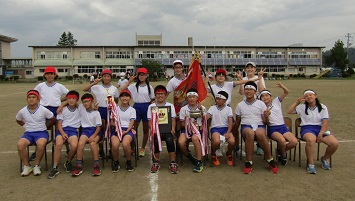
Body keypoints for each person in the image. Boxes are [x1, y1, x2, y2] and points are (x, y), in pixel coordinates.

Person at [206, 68, 259, 157]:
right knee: (217, 129)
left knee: (234, 129)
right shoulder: (212, 87)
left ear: (225, 77)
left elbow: (243, 82)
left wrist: (254, 79)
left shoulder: (229, 84)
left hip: (227, 109)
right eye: (219, 75)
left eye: (223, 75)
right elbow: (202, 91)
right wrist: (205, 81)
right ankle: (217, 148)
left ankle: (236, 148)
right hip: (216, 110)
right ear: (215, 77)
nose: (221, 76)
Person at [287, 89, 338, 174]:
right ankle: (310, 163)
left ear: (315, 96)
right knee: (311, 140)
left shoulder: (322, 107)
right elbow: (289, 111)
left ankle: (324, 158)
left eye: (310, 95)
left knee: (334, 143)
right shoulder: (302, 107)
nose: (308, 97)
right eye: (306, 96)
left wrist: (321, 133)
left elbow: (325, 122)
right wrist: (297, 102)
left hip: (320, 129)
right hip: (307, 128)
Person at [235, 81, 279, 174]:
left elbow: (265, 123)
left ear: (255, 91)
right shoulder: (240, 105)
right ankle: (249, 162)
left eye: (251, 89)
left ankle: (270, 159)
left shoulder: (261, 104)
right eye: (246, 89)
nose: (248, 91)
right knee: (250, 133)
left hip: (259, 125)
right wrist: (232, 132)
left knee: (259, 133)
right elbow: (238, 122)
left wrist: (266, 116)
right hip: (246, 126)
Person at [29, 66, 69, 161]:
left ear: (55, 75)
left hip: (57, 110)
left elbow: (70, 95)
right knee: (40, 129)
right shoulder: (40, 86)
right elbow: (34, 94)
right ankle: (36, 150)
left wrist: (61, 103)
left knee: (61, 129)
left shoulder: (59, 86)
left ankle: (68, 148)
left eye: (51, 74)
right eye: (47, 74)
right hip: (43, 110)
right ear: (45, 75)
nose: (49, 76)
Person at [17, 90, 56, 176]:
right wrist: (25, 126)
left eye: (33, 97)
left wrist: (46, 126)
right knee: (20, 144)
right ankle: (27, 166)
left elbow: (53, 118)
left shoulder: (43, 110)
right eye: (29, 97)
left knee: (41, 144)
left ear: (38, 99)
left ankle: (36, 165)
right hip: (28, 133)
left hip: (41, 133)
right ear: (27, 99)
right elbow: (18, 120)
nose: (31, 99)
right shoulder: (23, 111)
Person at [259, 83, 298, 166]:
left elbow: (286, 92)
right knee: (282, 140)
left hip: (283, 127)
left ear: (270, 96)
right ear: (260, 99)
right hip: (272, 128)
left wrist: (282, 86)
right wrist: (266, 116)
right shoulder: (261, 108)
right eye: (263, 96)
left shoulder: (276, 101)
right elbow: (266, 123)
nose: (265, 97)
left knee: (294, 142)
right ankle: (283, 155)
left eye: (267, 95)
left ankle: (280, 150)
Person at [83, 69, 119, 159]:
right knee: (101, 130)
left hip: (110, 110)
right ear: (102, 77)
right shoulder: (97, 87)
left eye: (108, 76)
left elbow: (117, 99)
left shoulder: (114, 88)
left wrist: (113, 107)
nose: (106, 78)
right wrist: (94, 83)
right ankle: (101, 150)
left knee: (111, 129)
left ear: (111, 77)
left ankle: (111, 150)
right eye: (105, 76)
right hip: (100, 110)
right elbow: (85, 89)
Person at [122, 67, 155, 157]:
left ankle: (143, 148)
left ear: (146, 76)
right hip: (136, 107)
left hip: (146, 107)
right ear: (138, 75)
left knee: (145, 129)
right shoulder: (133, 86)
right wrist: (129, 81)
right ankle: (132, 147)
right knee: (133, 128)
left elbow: (153, 98)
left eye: (143, 74)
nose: (142, 76)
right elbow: (123, 90)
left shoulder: (149, 87)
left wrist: (151, 103)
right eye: (140, 74)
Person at [48, 90, 80, 179]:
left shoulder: (80, 109)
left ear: (77, 100)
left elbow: (87, 107)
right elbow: (59, 124)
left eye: (73, 98)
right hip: (62, 130)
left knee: (74, 146)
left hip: (73, 130)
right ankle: (55, 167)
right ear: (67, 99)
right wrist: (62, 133)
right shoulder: (62, 110)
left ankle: (68, 161)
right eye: (69, 98)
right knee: (58, 144)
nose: (71, 100)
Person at [147, 85, 178, 173]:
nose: (160, 96)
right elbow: (149, 121)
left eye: (162, 94)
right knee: (156, 140)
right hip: (156, 130)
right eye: (158, 94)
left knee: (169, 140)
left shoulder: (170, 106)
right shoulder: (151, 107)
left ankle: (172, 162)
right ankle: (156, 162)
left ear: (165, 95)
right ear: (155, 95)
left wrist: (172, 129)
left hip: (167, 130)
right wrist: (153, 129)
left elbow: (173, 119)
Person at [238, 62, 266, 156]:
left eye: (252, 68)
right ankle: (248, 146)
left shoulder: (259, 77)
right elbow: (241, 92)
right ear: (245, 69)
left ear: (255, 69)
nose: (250, 69)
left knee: (259, 124)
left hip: (257, 105)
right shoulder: (244, 79)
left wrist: (260, 77)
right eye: (248, 68)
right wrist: (241, 80)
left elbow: (262, 90)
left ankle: (259, 145)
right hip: (246, 105)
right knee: (247, 126)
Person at [71, 93, 102, 176]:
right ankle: (79, 166)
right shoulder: (81, 108)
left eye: (88, 101)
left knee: (92, 143)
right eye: (84, 102)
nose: (86, 103)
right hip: (85, 130)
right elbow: (72, 102)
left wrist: (93, 136)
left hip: (95, 131)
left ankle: (96, 166)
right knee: (80, 144)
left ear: (92, 102)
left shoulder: (96, 113)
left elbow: (99, 127)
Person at [178, 88, 207, 173]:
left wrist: (201, 127)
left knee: (195, 138)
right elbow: (182, 123)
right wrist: (189, 125)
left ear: (197, 98)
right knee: (181, 142)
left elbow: (205, 121)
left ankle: (199, 161)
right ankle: (189, 156)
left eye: (194, 97)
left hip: (198, 130)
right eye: (190, 97)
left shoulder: (202, 108)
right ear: (187, 98)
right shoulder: (183, 109)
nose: (192, 99)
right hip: (187, 130)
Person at [206, 91, 235, 166]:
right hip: (215, 129)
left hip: (225, 129)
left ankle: (229, 154)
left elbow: (230, 121)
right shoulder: (212, 108)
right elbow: (207, 116)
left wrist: (228, 132)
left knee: (232, 141)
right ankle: (213, 154)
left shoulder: (228, 109)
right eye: (216, 99)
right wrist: (205, 115)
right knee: (216, 141)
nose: (217, 100)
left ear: (225, 100)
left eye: (219, 99)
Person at [110, 89, 136, 172]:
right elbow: (112, 122)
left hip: (127, 130)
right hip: (116, 130)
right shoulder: (115, 109)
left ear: (130, 98)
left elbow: (132, 123)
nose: (125, 98)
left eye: (127, 96)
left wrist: (126, 131)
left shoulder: (132, 110)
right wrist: (114, 124)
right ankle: (116, 162)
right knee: (115, 145)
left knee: (125, 144)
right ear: (120, 98)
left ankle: (128, 161)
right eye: (123, 96)